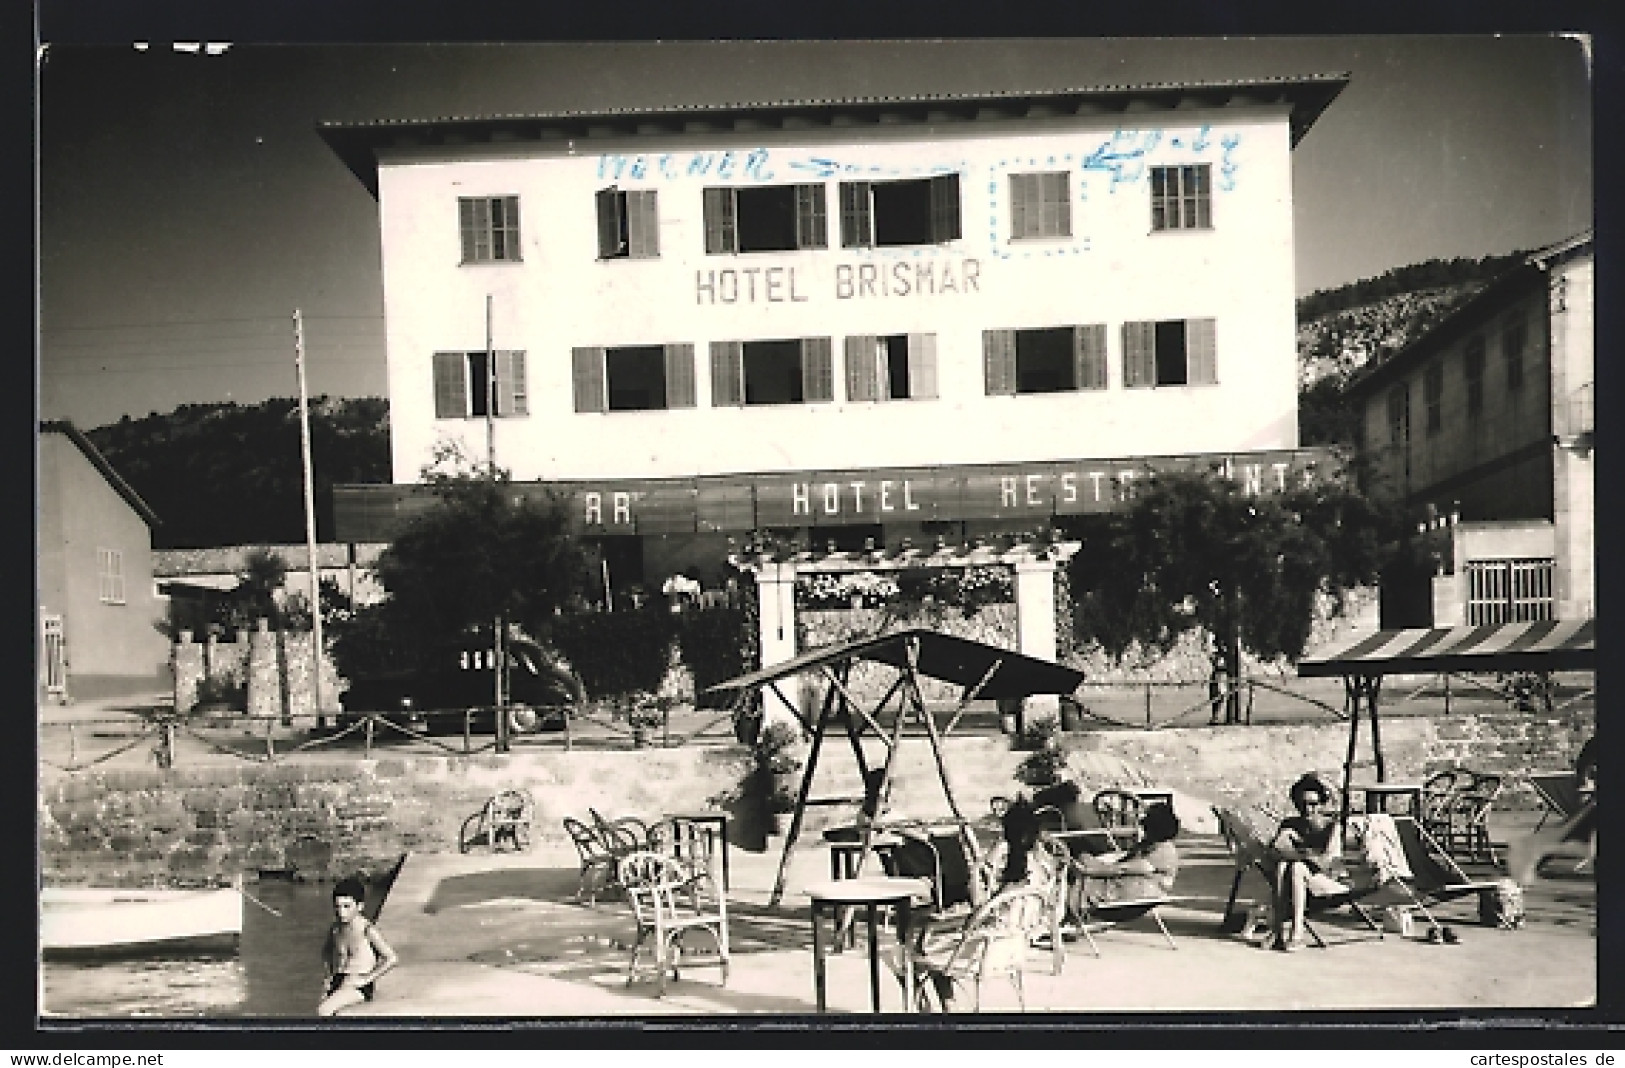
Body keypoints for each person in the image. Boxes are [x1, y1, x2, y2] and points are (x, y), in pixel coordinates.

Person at [1266, 774, 1349, 952]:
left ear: (1321, 804)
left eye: (1313, 804)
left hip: (1329, 881)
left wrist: (1301, 851)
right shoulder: (1290, 824)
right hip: (1298, 881)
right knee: (1282, 866)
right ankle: (1278, 931)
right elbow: (1273, 853)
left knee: (1296, 867)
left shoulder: (1331, 826)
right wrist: (1282, 840)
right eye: (1302, 804)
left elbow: (1327, 861)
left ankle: (1296, 933)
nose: (1307, 809)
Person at [1069, 802, 1181, 916]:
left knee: (1079, 879)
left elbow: (1126, 868)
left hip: (1134, 893)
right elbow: (1124, 862)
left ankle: (1068, 908)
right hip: (1135, 889)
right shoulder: (1152, 844)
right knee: (1082, 861)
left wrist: (1092, 869)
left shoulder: (1163, 851)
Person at [318, 876, 398, 1017]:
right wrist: (328, 977)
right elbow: (326, 953)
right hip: (338, 980)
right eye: (337, 906)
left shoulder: (367, 930)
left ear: (359, 906)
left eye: (347, 906)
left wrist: (367, 978)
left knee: (323, 1010)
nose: (341, 912)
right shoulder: (335, 929)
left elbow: (392, 958)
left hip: (358, 985)